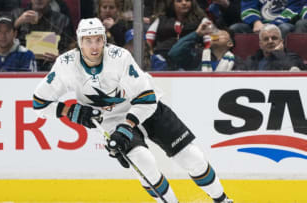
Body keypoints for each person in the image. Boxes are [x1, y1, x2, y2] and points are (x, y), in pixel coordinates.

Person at [32, 17, 233, 203]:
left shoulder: (119, 57)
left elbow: (145, 98)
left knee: (192, 158)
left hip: (147, 109)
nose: (94, 46)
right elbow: (39, 103)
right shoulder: (66, 65)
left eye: (98, 40)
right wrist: (72, 112)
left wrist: (127, 126)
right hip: (110, 119)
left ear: (104, 40)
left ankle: (223, 200)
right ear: (79, 42)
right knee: (144, 163)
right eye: (88, 40)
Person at [11, 0, 75, 71]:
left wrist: (59, 57)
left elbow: (70, 50)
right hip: (19, 66)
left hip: (52, 68)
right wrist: (17, 23)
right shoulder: (16, 14)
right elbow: (2, 41)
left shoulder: (62, 20)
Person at [146, 0, 206, 71]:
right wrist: (153, 57)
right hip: (163, 62)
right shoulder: (161, 20)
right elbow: (148, 41)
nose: (184, 3)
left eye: (187, 0)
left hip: (190, 61)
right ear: (172, 4)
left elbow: (209, 42)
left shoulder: (201, 20)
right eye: (179, 1)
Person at [168, 18, 245, 71]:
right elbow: (174, 53)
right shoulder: (198, 57)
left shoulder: (237, 62)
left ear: (230, 43)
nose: (216, 35)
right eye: (215, 33)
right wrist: (197, 33)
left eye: (222, 34)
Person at [240, 24, 305, 71]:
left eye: (274, 38)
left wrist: (278, 53)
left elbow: (294, 71)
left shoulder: (292, 58)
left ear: (281, 42)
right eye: (266, 39)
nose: (270, 41)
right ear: (260, 44)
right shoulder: (252, 60)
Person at [230, 0, 304, 38]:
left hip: (282, 23)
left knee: (284, 28)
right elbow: (248, 7)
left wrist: (271, 26)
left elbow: (293, 9)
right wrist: (256, 22)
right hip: (258, 25)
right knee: (236, 28)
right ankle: (245, 61)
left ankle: (280, 56)